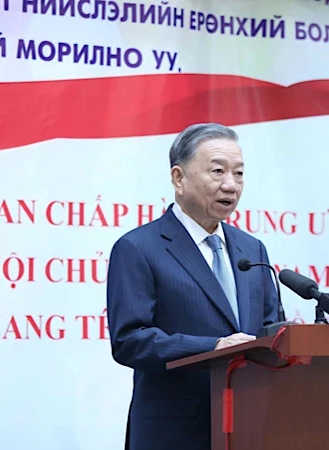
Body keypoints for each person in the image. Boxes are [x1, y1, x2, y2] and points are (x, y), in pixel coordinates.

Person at [105, 123, 280, 450]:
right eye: (218, 171)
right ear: (178, 178)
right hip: (175, 433)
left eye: (239, 174)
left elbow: (269, 330)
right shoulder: (140, 248)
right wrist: (213, 347)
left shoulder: (251, 250)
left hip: (248, 429)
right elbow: (130, 341)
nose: (231, 185)